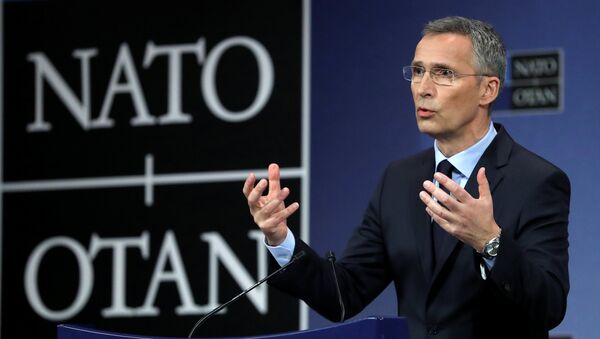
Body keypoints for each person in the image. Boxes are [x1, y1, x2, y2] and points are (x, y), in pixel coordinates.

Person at [243, 16, 569, 339]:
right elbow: (341, 295)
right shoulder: (399, 179)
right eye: (417, 72)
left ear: (488, 89)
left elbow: (549, 307)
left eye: (444, 73)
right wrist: (280, 239)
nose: (423, 89)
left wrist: (490, 241)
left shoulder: (536, 181)